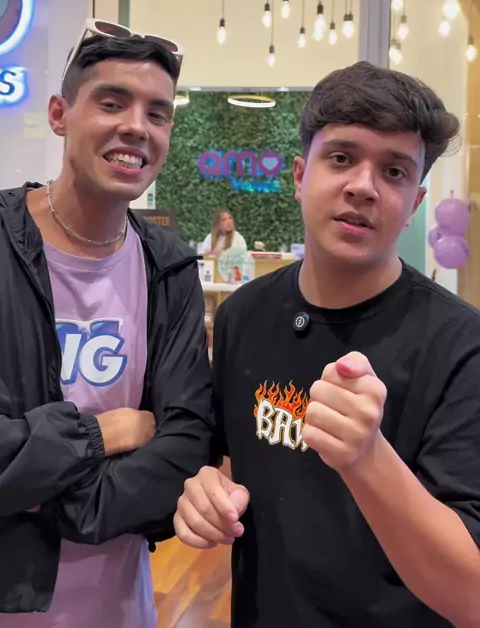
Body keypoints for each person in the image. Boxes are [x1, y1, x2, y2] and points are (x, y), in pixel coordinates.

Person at [174, 61, 480, 628]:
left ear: (415, 203)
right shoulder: (244, 315)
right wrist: (207, 492)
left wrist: (368, 459)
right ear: (299, 175)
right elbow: (229, 461)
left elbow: (472, 597)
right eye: (341, 158)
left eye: (394, 171)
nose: (363, 186)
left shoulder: (462, 345)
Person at [0, 24, 215, 626]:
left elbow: (186, 440)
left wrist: (39, 497)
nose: (137, 127)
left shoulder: (169, 266)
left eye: (158, 113)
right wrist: (102, 435)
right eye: (112, 103)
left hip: (119, 607)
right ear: (59, 114)